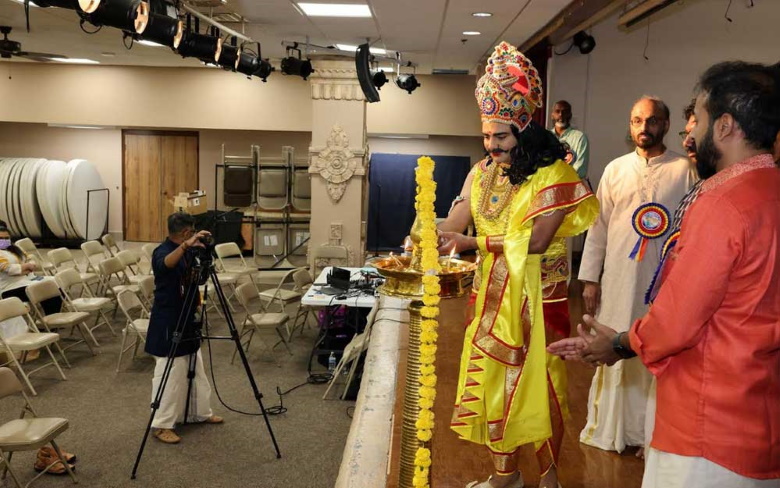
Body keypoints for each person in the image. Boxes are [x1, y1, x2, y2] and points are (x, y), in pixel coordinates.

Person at [549, 61, 780, 488]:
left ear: (725, 126)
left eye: (700, 120)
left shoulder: (722, 202)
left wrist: (618, 344)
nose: (691, 134)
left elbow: (677, 321)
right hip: (761, 424)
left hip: (706, 431)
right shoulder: (770, 189)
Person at [436, 41, 598, 488]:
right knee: (494, 381)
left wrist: (472, 242)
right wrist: (427, 233)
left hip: (540, 299)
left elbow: (537, 241)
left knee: (542, 387)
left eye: (501, 137)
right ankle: (504, 476)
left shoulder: (554, 175)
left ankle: (549, 478)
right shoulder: (480, 172)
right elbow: (454, 223)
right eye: (486, 136)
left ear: (524, 129)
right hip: (490, 294)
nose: (492, 146)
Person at [576, 95, 695, 454]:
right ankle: (612, 428)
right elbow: (598, 227)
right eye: (637, 120)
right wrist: (590, 279)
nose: (644, 127)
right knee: (614, 337)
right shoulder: (615, 169)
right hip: (617, 277)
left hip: (664, 283)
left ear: (666, 125)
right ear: (630, 125)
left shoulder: (685, 170)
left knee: (655, 344)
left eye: (652, 120)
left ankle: (651, 433)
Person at [146, 212, 223, 444]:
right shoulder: (162, 251)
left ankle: (198, 412)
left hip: (188, 314)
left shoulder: (189, 252)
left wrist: (203, 252)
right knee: (169, 373)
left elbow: (197, 279)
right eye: (192, 232)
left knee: (194, 366)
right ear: (185, 232)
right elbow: (166, 264)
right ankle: (161, 424)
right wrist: (186, 246)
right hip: (169, 319)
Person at [550, 100, 590, 180]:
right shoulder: (546, 137)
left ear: (570, 115)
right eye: (557, 111)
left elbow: (580, 171)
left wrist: (558, 180)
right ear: (552, 115)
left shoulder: (580, 138)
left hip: (569, 185)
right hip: (547, 185)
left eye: (565, 112)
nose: (561, 114)